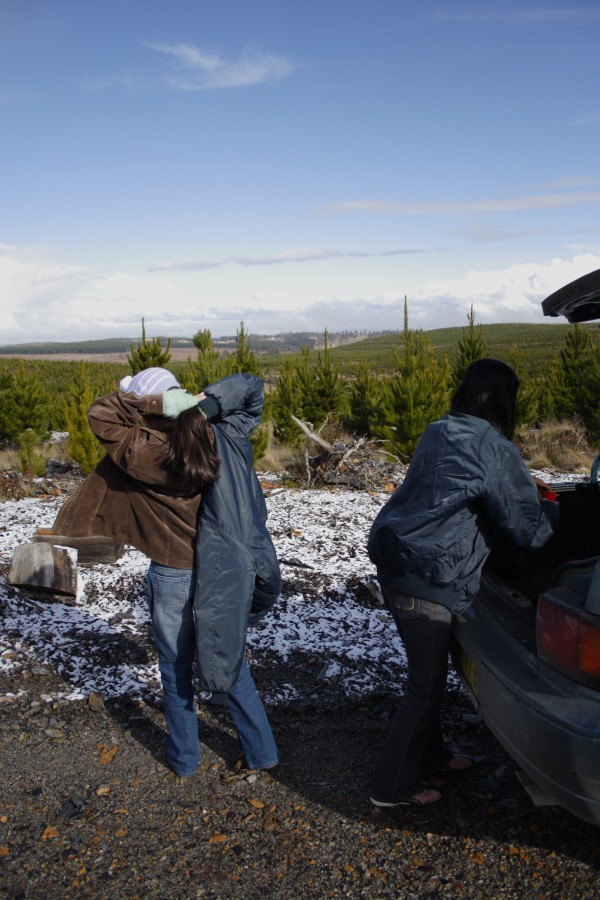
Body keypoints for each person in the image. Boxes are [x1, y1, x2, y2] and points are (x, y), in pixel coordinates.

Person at [52, 367, 279, 779]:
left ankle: (184, 760)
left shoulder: (142, 448)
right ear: (180, 397)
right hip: (220, 570)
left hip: (172, 572)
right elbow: (251, 386)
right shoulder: (220, 435)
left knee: (175, 668)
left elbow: (100, 413)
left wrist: (140, 399)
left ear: (152, 403)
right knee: (232, 660)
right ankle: (262, 752)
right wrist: (197, 402)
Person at [367, 358, 559, 808]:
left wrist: (515, 485)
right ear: (503, 399)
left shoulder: (442, 428)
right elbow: (526, 529)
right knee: (425, 686)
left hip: (400, 557)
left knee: (427, 677)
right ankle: (391, 786)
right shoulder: (492, 445)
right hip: (429, 572)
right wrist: (550, 507)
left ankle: (431, 758)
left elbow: (456, 484)